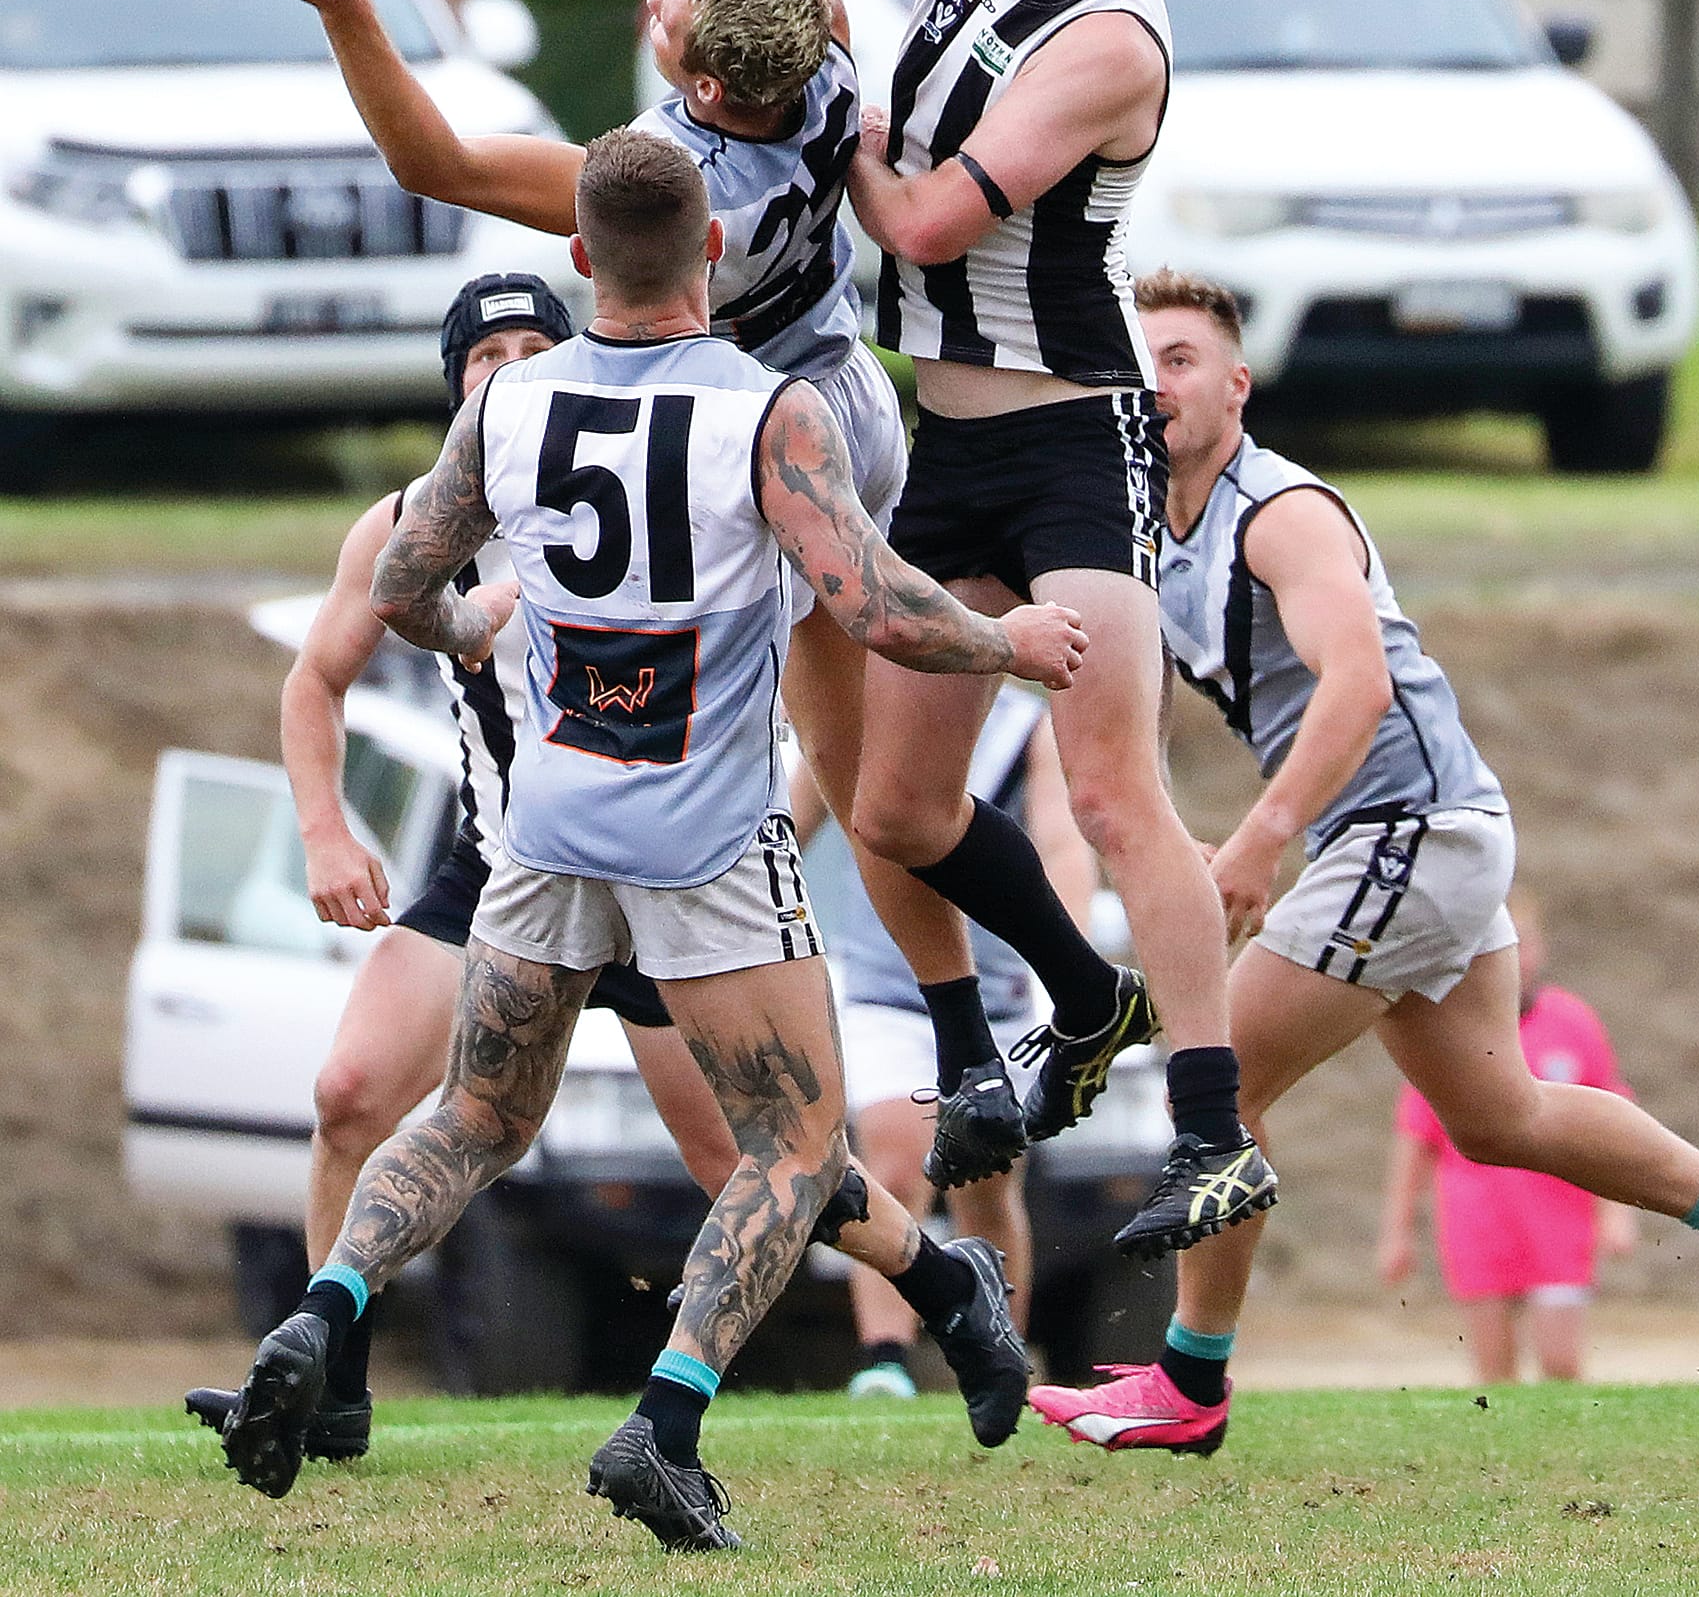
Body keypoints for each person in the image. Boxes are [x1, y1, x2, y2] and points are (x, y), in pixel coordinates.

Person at [213, 129, 1089, 1554]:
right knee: (793, 1151)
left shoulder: (506, 411)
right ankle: (664, 1424)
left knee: (474, 1118)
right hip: (705, 840)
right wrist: (1009, 637)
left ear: (577, 262)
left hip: (545, 833)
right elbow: (870, 607)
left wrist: (467, 625)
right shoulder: (767, 413)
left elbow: (398, 576)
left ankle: (324, 1310)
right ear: (713, 254)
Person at [644, 0, 1276, 1256]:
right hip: (940, 443)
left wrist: (812, 91)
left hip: (1074, 440)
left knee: (1107, 774)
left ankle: (1207, 1123)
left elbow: (917, 206)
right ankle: (1072, 1002)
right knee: (894, 810)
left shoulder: (1105, 39)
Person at [248, 0, 945, 1026]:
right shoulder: (821, 49)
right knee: (851, 772)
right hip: (841, 386)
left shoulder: (664, 185)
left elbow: (429, 160)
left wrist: (350, 9)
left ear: (697, 83)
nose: (662, 2)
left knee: (683, 690)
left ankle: (653, 912)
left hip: (752, 426)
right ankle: (928, 1005)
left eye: (672, 12)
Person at [1030, 271, 1699, 1454]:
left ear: (1234, 383)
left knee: (1217, 1084)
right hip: (1420, 835)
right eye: (1140, 363)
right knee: (1496, 1115)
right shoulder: (1153, 531)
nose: (1156, 384)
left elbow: (1357, 683)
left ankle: (1191, 1380)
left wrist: (1263, 838)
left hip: (1408, 832)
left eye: (1180, 359)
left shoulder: (1281, 512)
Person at [184, 271, 733, 1464]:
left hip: (650, 877)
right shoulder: (403, 523)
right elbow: (313, 680)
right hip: (497, 866)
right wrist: (328, 831)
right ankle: (330, 1389)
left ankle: (932, 1294)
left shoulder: (622, 500)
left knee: (747, 1160)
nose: (509, 366)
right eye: (485, 352)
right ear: (454, 384)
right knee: (348, 1096)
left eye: (536, 344)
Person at [788, 686, 1098, 1393]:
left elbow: (1059, 844)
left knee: (985, 1181)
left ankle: (1000, 1352)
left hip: (999, 995)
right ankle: (885, 1358)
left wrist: (1067, 970)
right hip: (884, 987)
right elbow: (784, 828)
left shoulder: (1025, 729)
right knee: (894, 1157)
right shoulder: (856, 709)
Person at [1376, 888, 1639, 1385]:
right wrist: (1398, 1231)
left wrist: (1617, 1214)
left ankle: (1567, 1456)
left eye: (1526, 943)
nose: (1516, 957)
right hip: (1477, 1220)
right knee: (1494, 1372)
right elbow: (1416, 1138)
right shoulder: (1450, 1028)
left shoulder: (1573, 1022)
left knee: (1561, 1363)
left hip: (1559, 1220)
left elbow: (1614, 1116)